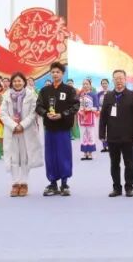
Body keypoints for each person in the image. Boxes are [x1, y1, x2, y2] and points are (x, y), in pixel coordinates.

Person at [35, 62, 80, 197]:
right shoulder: (44, 91)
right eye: (53, 72)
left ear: (63, 74)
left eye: (58, 72)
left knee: (63, 155)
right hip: (49, 128)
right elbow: (38, 106)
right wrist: (46, 114)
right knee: (50, 156)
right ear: (50, 74)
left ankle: (64, 183)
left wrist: (62, 115)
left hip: (63, 128)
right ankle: (53, 183)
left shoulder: (69, 90)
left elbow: (75, 106)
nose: (55, 74)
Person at [100, 70, 133, 197]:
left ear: (125, 79)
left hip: (127, 136)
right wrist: (102, 134)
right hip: (112, 136)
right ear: (113, 80)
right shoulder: (108, 96)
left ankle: (129, 187)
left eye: (121, 78)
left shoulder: (132, 96)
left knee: (129, 162)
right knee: (114, 163)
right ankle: (116, 188)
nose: (119, 81)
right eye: (116, 78)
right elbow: (103, 117)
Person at [0, 73, 42, 197]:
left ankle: (24, 183)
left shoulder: (31, 95)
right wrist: (14, 125)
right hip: (12, 130)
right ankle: (15, 183)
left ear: (24, 82)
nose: (17, 83)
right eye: (15, 81)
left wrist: (22, 125)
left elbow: (33, 113)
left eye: (19, 81)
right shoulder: (6, 95)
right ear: (11, 83)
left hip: (26, 130)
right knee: (13, 157)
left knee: (25, 157)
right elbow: (3, 113)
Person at [78, 79, 99, 161]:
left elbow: (96, 107)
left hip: (90, 117)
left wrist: (89, 109)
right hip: (81, 117)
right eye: (83, 84)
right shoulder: (80, 95)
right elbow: (77, 106)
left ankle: (90, 153)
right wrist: (80, 111)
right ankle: (84, 153)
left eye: (87, 84)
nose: (85, 85)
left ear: (90, 85)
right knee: (83, 134)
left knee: (90, 134)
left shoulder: (93, 95)